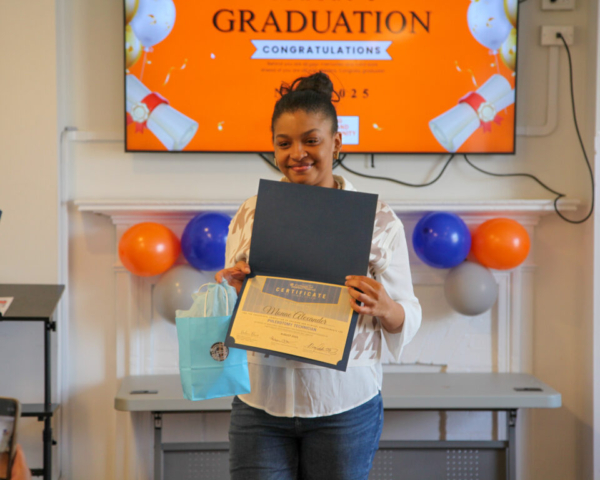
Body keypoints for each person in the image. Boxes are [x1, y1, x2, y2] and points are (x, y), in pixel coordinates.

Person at [215, 71, 422, 480]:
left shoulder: (378, 219)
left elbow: (408, 314)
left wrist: (385, 307)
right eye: (284, 143)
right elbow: (235, 309)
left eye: (311, 140)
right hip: (259, 404)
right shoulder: (251, 212)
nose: (297, 154)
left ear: (336, 143)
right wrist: (235, 289)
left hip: (344, 408)